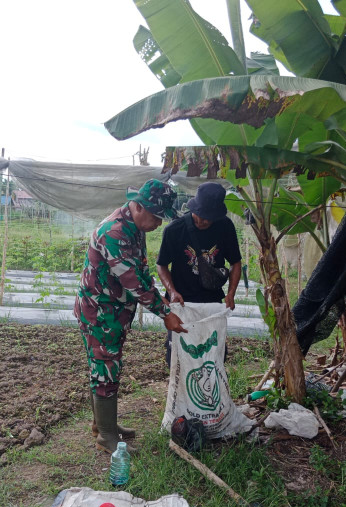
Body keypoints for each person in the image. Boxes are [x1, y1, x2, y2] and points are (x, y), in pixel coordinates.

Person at [74, 179, 187, 453]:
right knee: (105, 367)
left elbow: (141, 270)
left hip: (113, 311)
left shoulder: (134, 227)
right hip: (100, 312)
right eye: (156, 217)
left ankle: (104, 426)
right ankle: (106, 437)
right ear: (138, 206)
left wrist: (161, 296)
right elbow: (132, 281)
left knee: (105, 366)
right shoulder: (114, 233)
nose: (158, 224)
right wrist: (165, 313)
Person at [156, 182, 242, 364]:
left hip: (212, 301)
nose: (204, 221)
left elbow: (235, 262)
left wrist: (231, 293)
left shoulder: (225, 227)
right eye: (201, 215)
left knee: (213, 352)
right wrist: (172, 290)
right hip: (182, 302)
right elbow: (161, 265)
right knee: (180, 353)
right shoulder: (174, 230)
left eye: (209, 218)